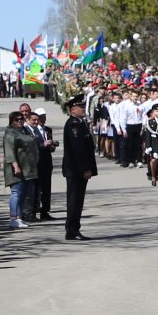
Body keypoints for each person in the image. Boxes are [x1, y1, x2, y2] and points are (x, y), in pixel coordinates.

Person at [62, 95, 97, 239]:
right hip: (76, 169)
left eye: (83, 106)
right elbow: (78, 150)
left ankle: (74, 228)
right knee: (74, 201)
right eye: (80, 107)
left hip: (77, 169)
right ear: (72, 110)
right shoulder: (73, 125)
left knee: (78, 200)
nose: (83, 109)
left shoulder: (80, 123)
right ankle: (72, 229)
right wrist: (85, 169)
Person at [3, 109, 38, 229]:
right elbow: (9, 150)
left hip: (27, 168)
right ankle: (13, 218)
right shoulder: (10, 133)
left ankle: (19, 217)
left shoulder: (22, 131)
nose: (21, 121)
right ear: (12, 121)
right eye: (18, 119)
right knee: (16, 193)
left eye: (22, 119)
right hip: (16, 168)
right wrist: (15, 165)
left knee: (23, 193)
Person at [31, 109, 57, 220]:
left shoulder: (47, 130)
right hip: (37, 163)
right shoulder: (32, 130)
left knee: (47, 189)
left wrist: (52, 146)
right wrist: (43, 144)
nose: (43, 119)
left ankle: (45, 211)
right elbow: (34, 146)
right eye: (40, 116)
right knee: (36, 189)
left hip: (47, 162)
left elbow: (50, 145)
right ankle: (33, 211)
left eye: (44, 116)